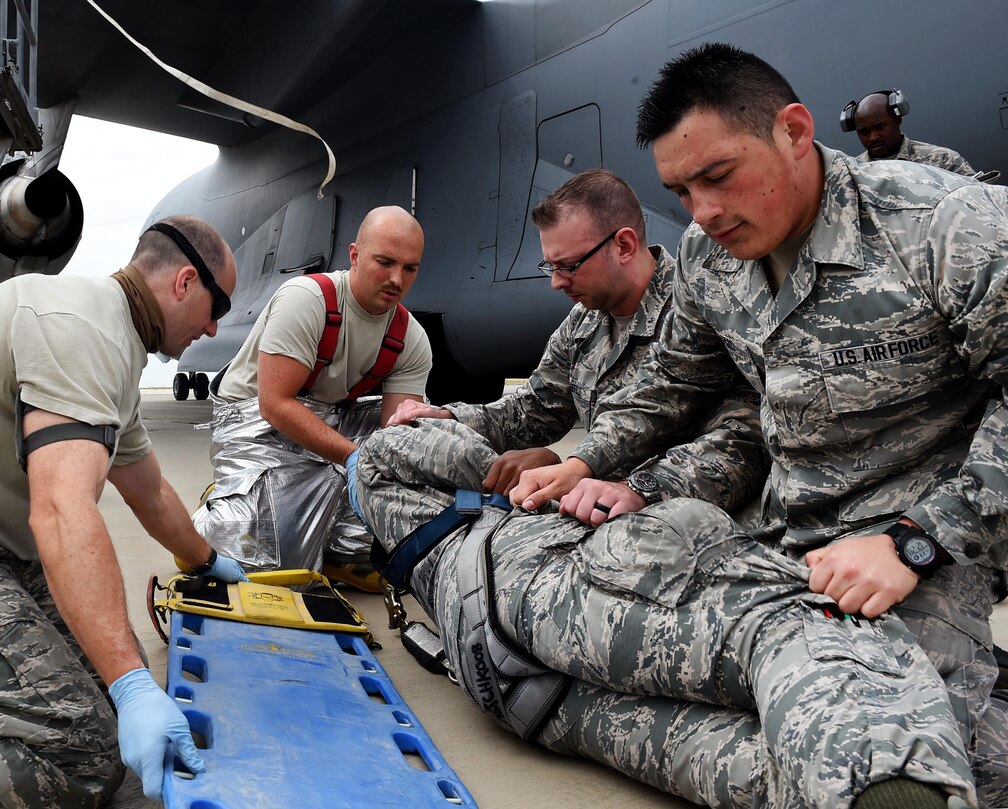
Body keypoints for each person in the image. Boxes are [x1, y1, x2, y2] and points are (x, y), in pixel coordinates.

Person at [513, 42, 1008, 806]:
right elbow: (670, 389)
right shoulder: (709, 264)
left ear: (796, 132)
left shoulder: (941, 225)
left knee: (899, 756)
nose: (703, 211)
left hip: (920, 552)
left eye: (718, 176)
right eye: (681, 190)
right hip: (777, 541)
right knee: (587, 609)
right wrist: (588, 465)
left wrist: (918, 540)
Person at [351, 418, 977, 808]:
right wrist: (434, 421)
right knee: (794, 622)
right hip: (534, 580)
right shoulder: (384, 452)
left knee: (765, 768)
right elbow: (499, 466)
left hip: (517, 690)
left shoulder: (391, 522)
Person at [0, 216, 248, 806]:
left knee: (109, 681)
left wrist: (207, 562)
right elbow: (61, 509)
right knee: (81, 757)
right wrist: (131, 688)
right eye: (216, 305)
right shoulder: (84, 328)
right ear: (183, 284)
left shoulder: (112, 341)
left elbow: (148, 491)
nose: (215, 326)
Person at [389, 169, 767, 516]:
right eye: (549, 267)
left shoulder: (702, 308)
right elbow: (535, 410)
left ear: (623, 246)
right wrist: (449, 416)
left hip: (695, 522)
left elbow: (745, 440)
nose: (556, 282)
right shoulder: (583, 324)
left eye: (568, 266)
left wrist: (635, 488)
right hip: (597, 515)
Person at [193, 205, 432, 585]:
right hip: (254, 418)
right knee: (273, 569)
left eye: (410, 268)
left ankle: (339, 548)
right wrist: (353, 459)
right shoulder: (308, 300)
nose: (396, 279)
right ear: (354, 255)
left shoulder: (410, 338)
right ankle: (227, 509)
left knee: (421, 445)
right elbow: (275, 404)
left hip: (327, 416)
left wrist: (385, 464)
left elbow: (395, 433)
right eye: (385, 262)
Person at [841, 89, 976, 175]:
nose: (873, 137)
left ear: (897, 120)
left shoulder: (942, 161)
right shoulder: (853, 173)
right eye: (864, 132)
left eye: (880, 127)